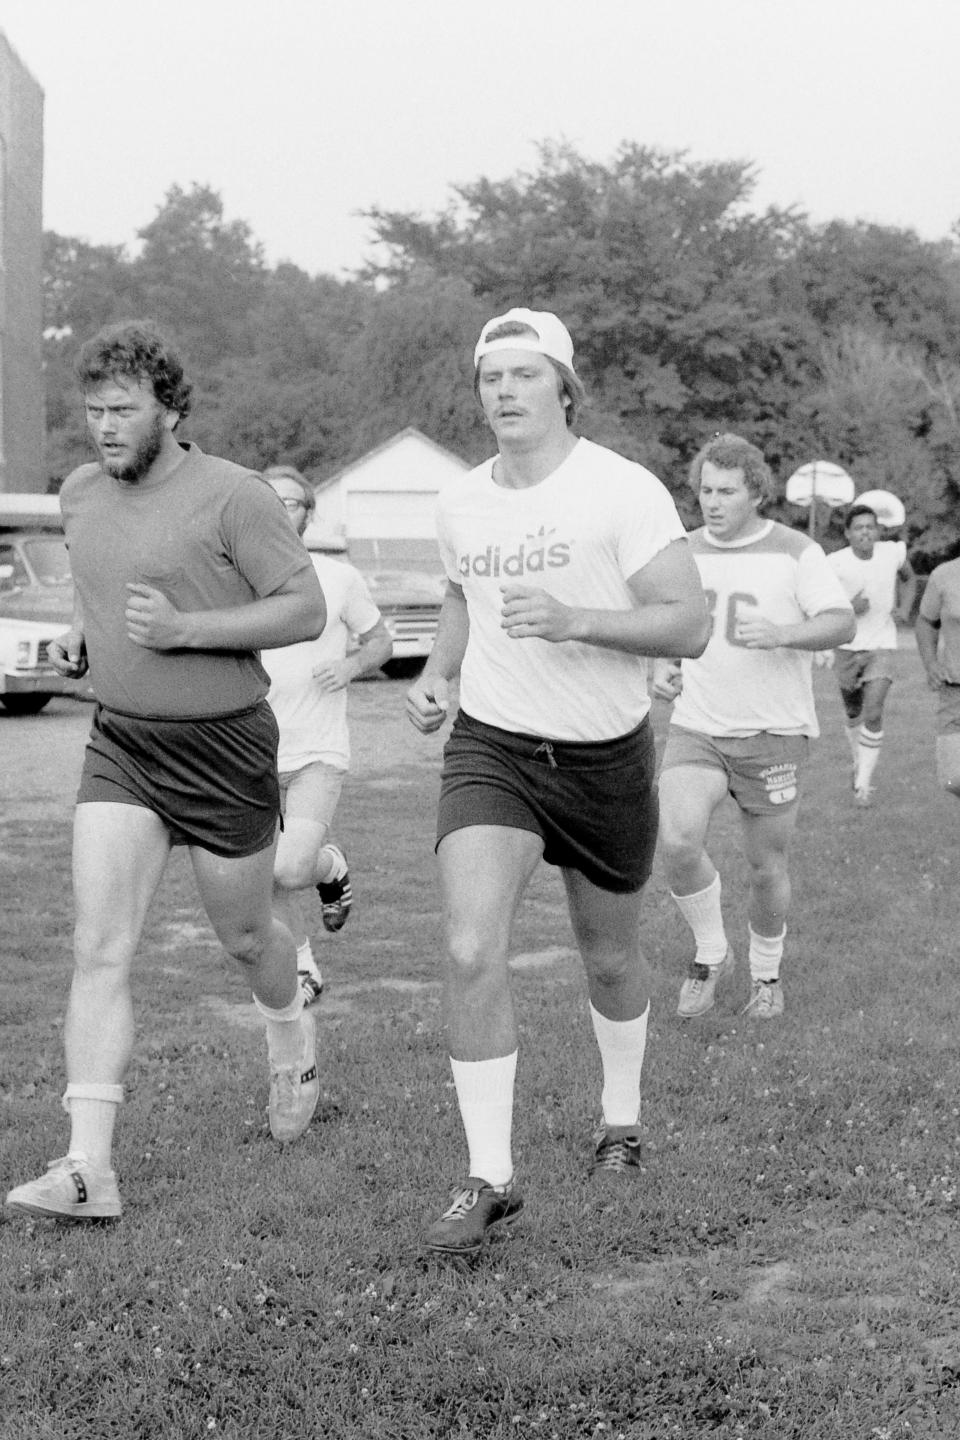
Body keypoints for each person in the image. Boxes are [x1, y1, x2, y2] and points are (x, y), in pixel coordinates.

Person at [5, 322, 327, 1223]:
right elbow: (96, 575)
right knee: (98, 946)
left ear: (170, 409)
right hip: (123, 745)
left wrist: (187, 630)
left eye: (124, 410)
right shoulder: (79, 493)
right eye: (94, 411)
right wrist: (84, 628)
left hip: (224, 749)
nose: (105, 427)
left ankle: (288, 1030)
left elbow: (304, 609)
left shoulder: (236, 497)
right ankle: (86, 1168)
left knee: (248, 937)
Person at [405, 306, 709, 1258]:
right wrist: (439, 674)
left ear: (564, 388)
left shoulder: (622, 491)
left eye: (524, 375)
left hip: (604, 756)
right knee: (466, 945)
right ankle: (488, 1176)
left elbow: (688, 624)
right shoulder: (461, 503)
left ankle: (620, 1121)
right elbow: (463, 592)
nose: (504, 392)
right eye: (492, 377)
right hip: (494, 749)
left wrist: (578, 620)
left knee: (610, 957)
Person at [654, 434, 854, 1025]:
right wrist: (660, 664)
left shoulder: (796, 552)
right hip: (698, 727)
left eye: (726, 492)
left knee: (766, 866)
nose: (711, 502)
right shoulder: (681, 551)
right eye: (704, 491)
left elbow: (840, 621)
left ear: (757, 493)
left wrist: (786, 635)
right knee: (679, 840)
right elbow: (660, 622)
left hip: (774, 733)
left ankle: (766, 976)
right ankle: (711, 954)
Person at [262, 464, 393, 1002]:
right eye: (268, 500)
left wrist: (350, 667)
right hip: (250, 749)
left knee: (291, 867)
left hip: (316, 749)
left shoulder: (338, 577)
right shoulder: (230, 579)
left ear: (308, 514)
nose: (279, 509)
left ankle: (329, 866)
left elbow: (380, 642)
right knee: (260, 874)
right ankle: (302, 967)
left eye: (291, 502)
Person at [826, 503, 916, 807]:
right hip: (846, 647)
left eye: (870, 526)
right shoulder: (834, 563)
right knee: (853, 713)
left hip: (882, 644)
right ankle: (858, 763)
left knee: (874, 711)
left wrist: (904, 608)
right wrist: (850, 608)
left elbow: (909, 578)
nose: (866, 532)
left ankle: (863, 785)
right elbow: (820, 603)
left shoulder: (891, 553)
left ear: (878, 530)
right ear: (848, 533)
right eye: (859, 528)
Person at [915, 555, 960, 799]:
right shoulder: (944, 574)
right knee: (952, 778)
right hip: (955, 690)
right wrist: (931, 663)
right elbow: (925, 622)